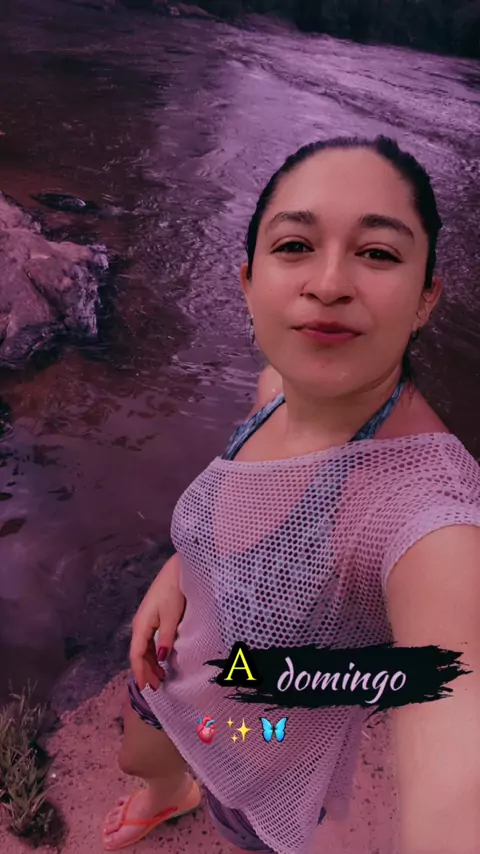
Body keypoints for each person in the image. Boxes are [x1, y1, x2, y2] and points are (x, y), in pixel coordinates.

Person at [103, 135, 480, 854]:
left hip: (261, 746)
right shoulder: (276, 389)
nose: (329, 283)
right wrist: (180, 571)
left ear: (426, 296)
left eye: (378, 253)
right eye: (295, 246)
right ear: (249, 281)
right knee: (137, 759)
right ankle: (167, 794)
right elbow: (243, 501)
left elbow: (458, 748)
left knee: (243, 823)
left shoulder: (427, 516)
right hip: (172, 675)